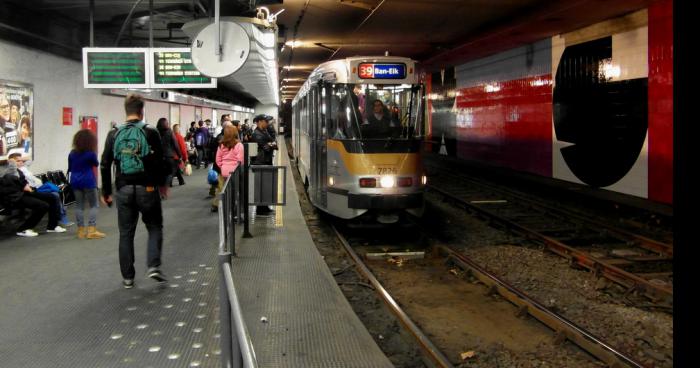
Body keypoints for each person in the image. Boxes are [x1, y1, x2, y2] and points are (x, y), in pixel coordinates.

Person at [100, 93, 169, 289]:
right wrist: (162, 185)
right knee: (154, 227)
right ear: (142, 110)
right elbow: (160, 163)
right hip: (147, 188)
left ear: (126, 110)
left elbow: (105, 164)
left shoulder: (113, 133)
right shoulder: (150, 132)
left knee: (126, 233)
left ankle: (128, 277)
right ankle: (153, 265)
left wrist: (106, 191)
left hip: (123, 189)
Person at [1, 153, 66, 236]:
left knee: (52, 197)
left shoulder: (19, 170)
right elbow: (15, 182)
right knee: (43, 206)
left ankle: (52, 226)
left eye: (21, 161)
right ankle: (23, 229)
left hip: (24, 193)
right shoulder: (6, 172)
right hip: (14, 197)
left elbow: (24, 182)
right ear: (11, 162)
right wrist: (12, 163)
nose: (21, 162)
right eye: (18, 161)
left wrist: (27, 186)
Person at [68, 129, 105, 239]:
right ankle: (91, 229)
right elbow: (96, 164)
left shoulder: (72, 153)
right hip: (88, 181)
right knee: (94, 205)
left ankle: (80, 231)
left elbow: (70, 167)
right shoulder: (90, 154)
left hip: (75, 180)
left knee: (79, 206)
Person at [251, 115, 277, 216]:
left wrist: (271, 144)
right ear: (260, 122)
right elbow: (266, 147)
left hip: (265, 161)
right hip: (260, 162)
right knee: (260, 186)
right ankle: (260, 209)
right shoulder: (257, 134)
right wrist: (271, 145)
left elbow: (272, 142)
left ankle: (264, 206)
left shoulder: (264, 131)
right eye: (266, 121)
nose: (267, 123)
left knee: (265, 185)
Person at [156, 117, 184, 192]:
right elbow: (176, 145)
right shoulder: (169, 132)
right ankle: (165, 188)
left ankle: (159, 188)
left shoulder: (156, 132)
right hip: (169, 156)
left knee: (161, 173)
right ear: (166, 124)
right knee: (170, 172)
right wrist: (180, 156)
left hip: (158, 156)